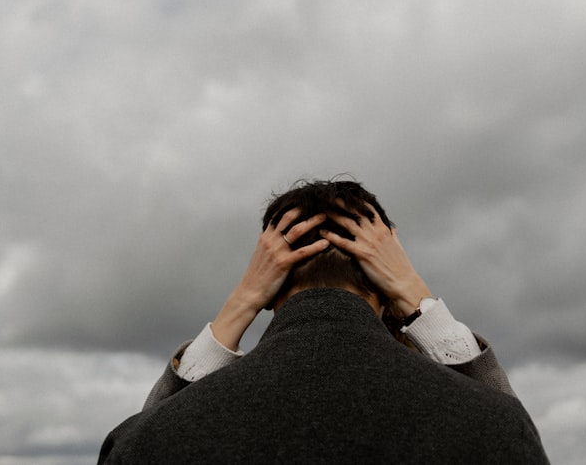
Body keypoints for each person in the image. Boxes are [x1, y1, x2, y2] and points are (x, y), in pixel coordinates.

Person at [98, 179, 550, 464]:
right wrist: (416, 293)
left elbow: (138, 442)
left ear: (270, 288)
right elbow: (516, 434)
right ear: (384, 284)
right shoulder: (489, 425)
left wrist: (240, 304)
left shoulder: (151, 438)